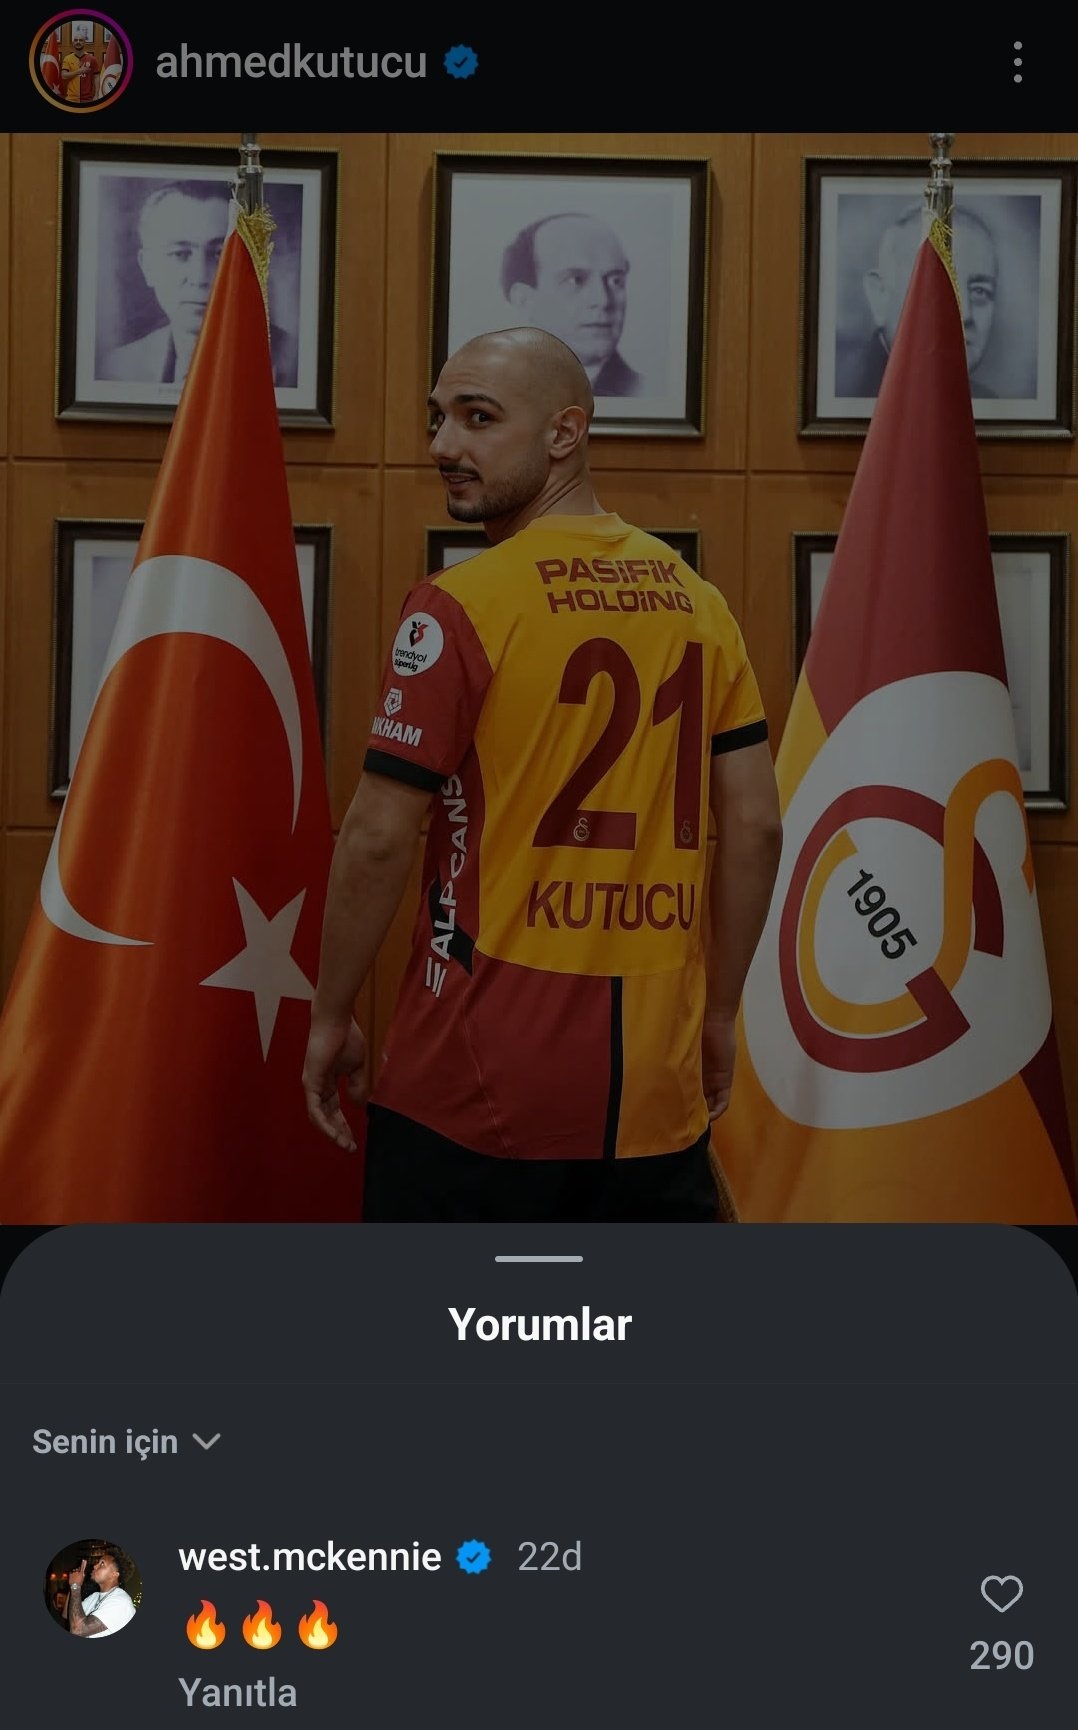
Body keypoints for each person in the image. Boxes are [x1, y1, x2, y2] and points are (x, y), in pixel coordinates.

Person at [302, 326, 783, 1223]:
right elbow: (756, 826)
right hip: (654, 1084)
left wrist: (330, 1014)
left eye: (478, 418)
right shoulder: (699, 603)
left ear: (565, 433)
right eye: (439, 418)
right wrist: (720, 1015)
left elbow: (376, 837)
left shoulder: (460, 605)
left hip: (474, 1082)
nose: (443, 445)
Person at [97, 181, 298, 389]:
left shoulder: (295, 367)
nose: (200, 278)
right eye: (180, 254)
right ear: (148, 267)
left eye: (220, 254)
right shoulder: (117, 372)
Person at [836, 204, 999, 397]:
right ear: (879, 296)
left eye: (979, 291)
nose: (965, 315)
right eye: (939, 284)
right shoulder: (842, 393)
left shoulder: (987, 401)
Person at [500, 213, 646, 395]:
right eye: (575, 280)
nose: (602, 300)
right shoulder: (494, 388)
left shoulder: (645, 393)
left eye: (616, 281)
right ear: (524, 300)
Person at [65, 1549, 136, 1637]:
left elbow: (77, 1630)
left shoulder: (121, 1602)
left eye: (102, 1564)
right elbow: (67, 1614)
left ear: (114, 1574)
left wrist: (75, 1586)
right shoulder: (94, 1597)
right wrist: (72, 1585)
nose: (95, 1566)